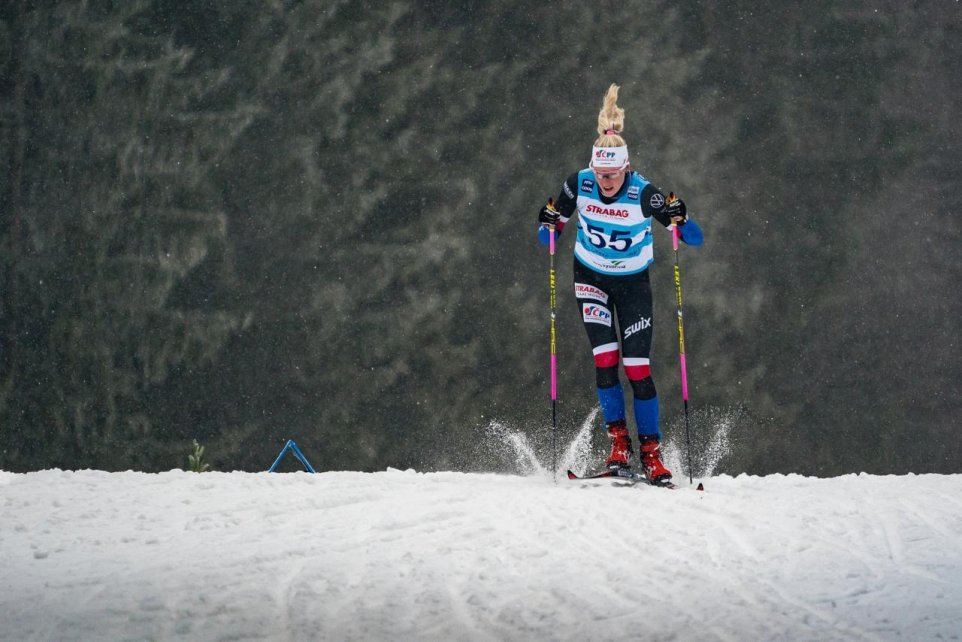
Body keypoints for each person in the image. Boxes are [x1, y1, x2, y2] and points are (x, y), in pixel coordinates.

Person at [537, 84, 703, 483]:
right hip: (590, 278)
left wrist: (682, 216)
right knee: (606, 361)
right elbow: (549, 236)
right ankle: (619, 448)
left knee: (637, 365)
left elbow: (693, 237)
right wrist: (547, 225)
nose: (606, 182)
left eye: (612, 175)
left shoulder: (645, 194)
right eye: (600, 174)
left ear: (626, 168)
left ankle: (650, 452)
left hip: (632, 285)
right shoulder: (579, 184)